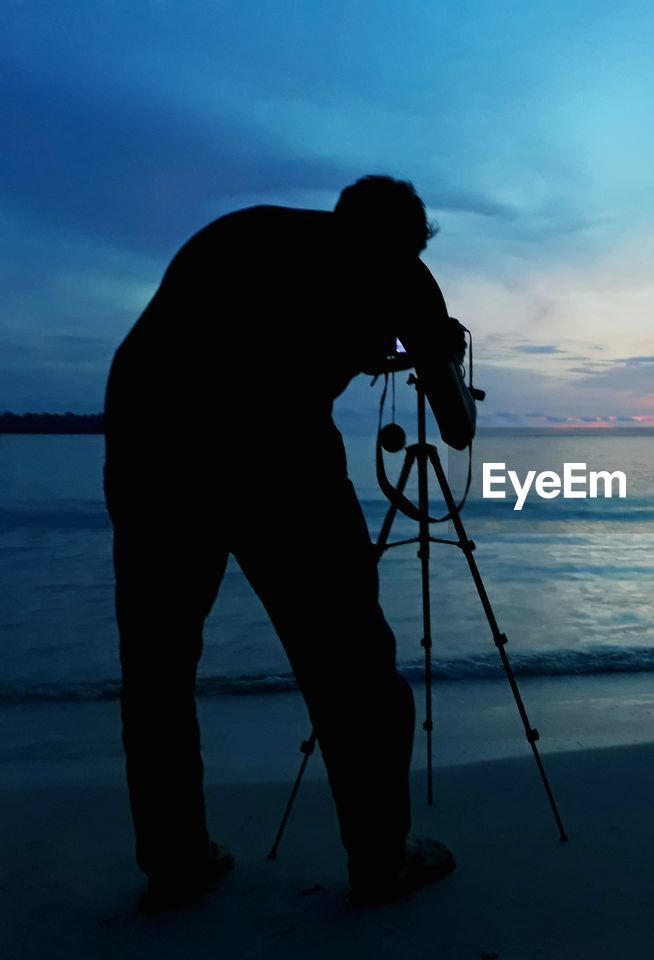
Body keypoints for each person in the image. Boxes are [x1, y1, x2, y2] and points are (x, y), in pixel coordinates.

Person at [103, 175, 470, 908]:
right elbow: (457, 427)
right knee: (352, 663)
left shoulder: (245, 232)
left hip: (149, 436)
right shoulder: (406, 277)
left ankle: (174, 861)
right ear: (411, 243)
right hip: (270, 451)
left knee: (159, 665)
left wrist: (380, 348)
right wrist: (440, 359)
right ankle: (380, 857)